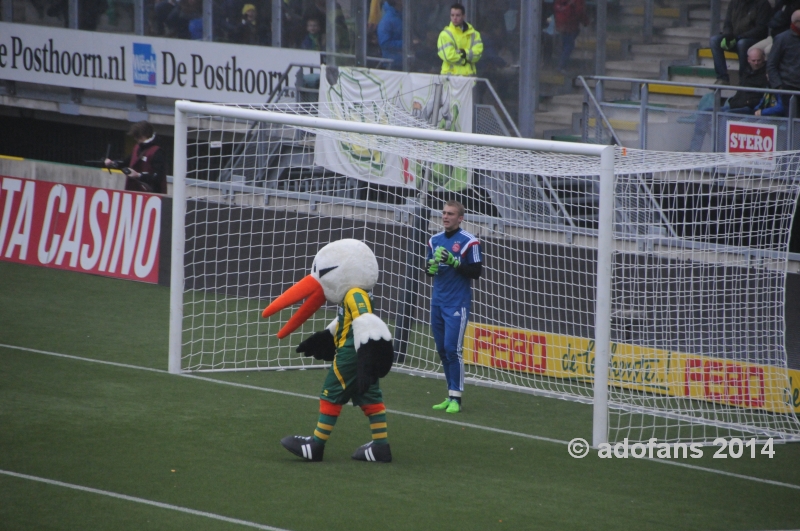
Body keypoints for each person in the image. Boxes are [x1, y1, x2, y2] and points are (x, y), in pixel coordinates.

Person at [426, 200, 483, 414]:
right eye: (443, 213)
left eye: (450, 213)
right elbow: (429, 268)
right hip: (437, 302)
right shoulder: (434, 240)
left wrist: (454, 261)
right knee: (442, 349)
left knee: (453, 349)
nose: (445, 216)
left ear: (460, 218)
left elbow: (476, 272)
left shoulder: (470, 241)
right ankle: (449, 393)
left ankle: (456, 398)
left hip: (457, 303)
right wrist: (430, 268)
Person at [689, 47, 769, 151]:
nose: (756, 63)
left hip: (749, 108)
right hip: (735, 104)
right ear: (748, 60)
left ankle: (720, 153)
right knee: (705, 112)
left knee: (725, 117)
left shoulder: (767, 73)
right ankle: (693, 151)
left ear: (763, 59)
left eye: (759, 60)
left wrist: (748, 102)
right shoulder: (746, 70)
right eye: (753, 61)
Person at [709, 0, 771, 84]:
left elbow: (761, 29)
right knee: (714, 40)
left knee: (742, 43)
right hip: (735, 37)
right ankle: (722, 77)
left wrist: (740, 37)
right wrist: (728, 36)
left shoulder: (763, 4)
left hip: (753, 39)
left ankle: (743, 79)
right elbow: (727, 24)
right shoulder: (734, 3)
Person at [104, 121, 167, 194]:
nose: (136, 139)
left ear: (144, 135)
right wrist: (113, 163)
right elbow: (127, 162)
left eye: (138, 137)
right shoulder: (138, 148)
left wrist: (138, 175)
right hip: (134, 192)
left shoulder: (157, 151)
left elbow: (158, 177)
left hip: (150, 194)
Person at [766, 9, 800, 111]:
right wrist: (778, 86)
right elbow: (771, 64)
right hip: (788, 88)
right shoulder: (782, 39)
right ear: (796, 22)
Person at [437, 3, 483, 76]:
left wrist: (462, 52)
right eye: (452, 15)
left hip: (469, 78)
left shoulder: (474, 34)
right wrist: (466, 58)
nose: (454, 18)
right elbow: (449, 56)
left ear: (464, 16)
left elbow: (477, 54)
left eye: (458, 15)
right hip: (450, 79)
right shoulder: (445, 34)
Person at [553, 0, 589, 73]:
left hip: (561, 23)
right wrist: (586, 22)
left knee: (565, 44)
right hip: (571, 24)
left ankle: (561, 64)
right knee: (569, 45)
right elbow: (580, 11)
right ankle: (561, 66)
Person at [378, 0, 403, 70]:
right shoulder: (387, 20)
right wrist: (406, 44)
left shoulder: (402, 16)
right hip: (392, 65)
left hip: (404, 62)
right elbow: (385, 43)